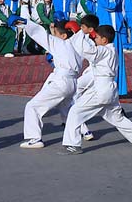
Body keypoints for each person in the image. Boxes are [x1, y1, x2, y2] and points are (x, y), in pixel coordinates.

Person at [61, 25, 132, 154]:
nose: (95, 39)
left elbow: (86, 50)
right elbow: (88, 49)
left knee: (75, 112)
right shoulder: (111, 50)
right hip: (109, 88)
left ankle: (73, 145)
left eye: (97, 37)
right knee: (116, 117)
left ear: (105, 40)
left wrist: (78, 32)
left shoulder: (104, 51)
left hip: (101, 89)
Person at [15, 15, 84, 148]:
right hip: (73, 83)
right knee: (67, 108)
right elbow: (82, 37)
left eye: (56, 33)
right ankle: (83, 131)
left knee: (33, 106)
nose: (53, 35)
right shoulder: (78, 44)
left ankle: (35, 139)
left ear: (63, 36)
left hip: (61, 81)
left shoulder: (59, 43)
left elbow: (40, 34)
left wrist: (25, 23)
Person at [95, 0, 128, 95]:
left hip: (113, 29)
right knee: (102, 59)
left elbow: (111, 5)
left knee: (114, 59)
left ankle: (118, 89)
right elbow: (100, 6)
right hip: (102, 26)